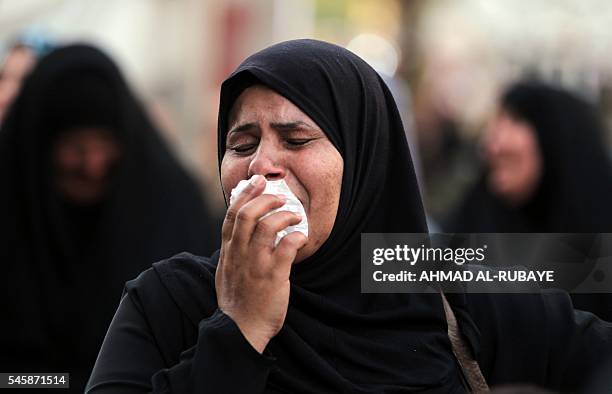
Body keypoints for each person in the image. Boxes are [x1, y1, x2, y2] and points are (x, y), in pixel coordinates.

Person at [87, 40, 612, 393]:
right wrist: (238, 328)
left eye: (296, 140)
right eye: (241, 143)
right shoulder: (170, 299)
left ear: (364, 164)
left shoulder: (430, 270)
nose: (262, 166)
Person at [0, 44, 218, 392]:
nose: (93, 165)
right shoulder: (11, 206)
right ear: (38, 147)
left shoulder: (172, 206)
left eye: (104, 144)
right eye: (76, 147)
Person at [445, 81, 612, 320]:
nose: (493, 144)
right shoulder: (472, 219)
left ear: (556, 138)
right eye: (497, 121)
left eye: (516, 121)